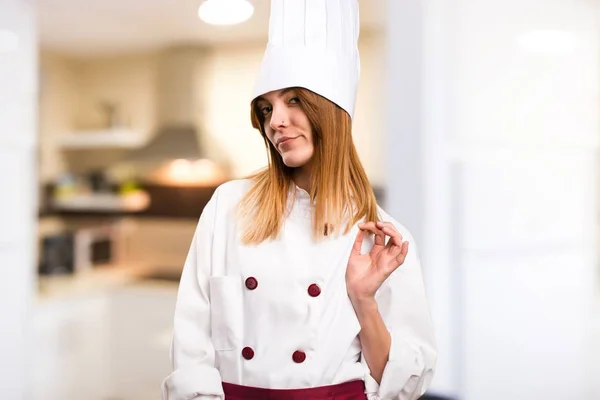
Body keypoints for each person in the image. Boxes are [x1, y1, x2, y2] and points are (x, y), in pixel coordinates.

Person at [162, 1, 437, 399]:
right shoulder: (229, 206)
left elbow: (402, 384)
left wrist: (364, 299)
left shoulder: (382, 239)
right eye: (266, 107)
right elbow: (191, 344)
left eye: (294, 100)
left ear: (332, 110)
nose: (275, 121)